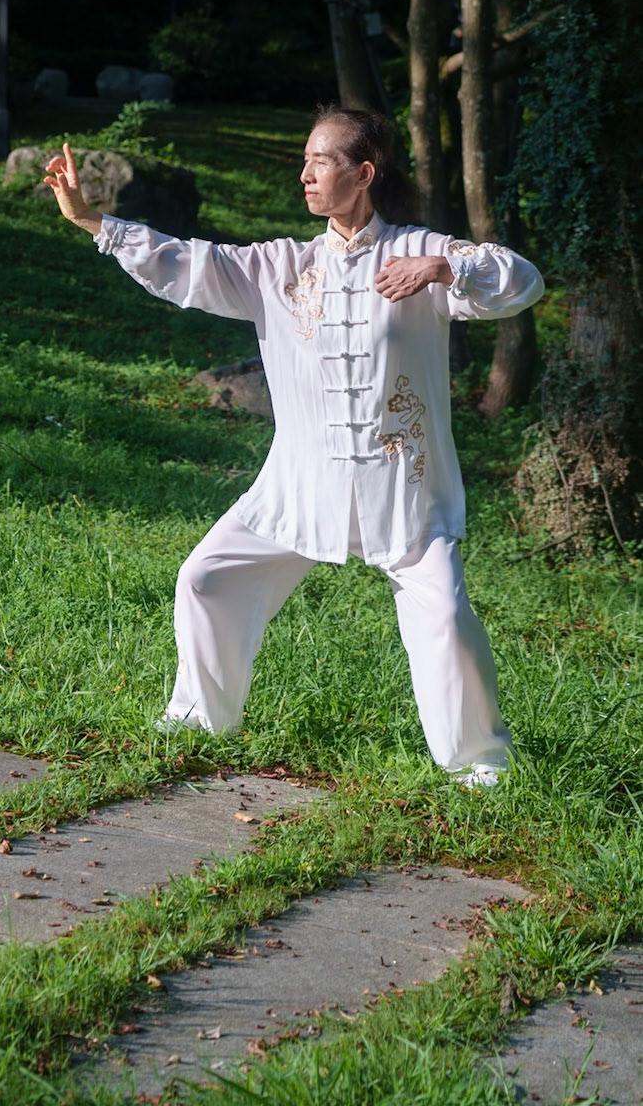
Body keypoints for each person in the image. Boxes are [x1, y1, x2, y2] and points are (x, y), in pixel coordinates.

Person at [43, 105, 543, 786]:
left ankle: (479, 764)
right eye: (303, 160)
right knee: (205, 578)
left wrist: (440, 269)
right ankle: (196, 721)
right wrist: (88, 220)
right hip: (299, 484)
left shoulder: (416, 254)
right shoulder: (279, 267)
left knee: (447, 616)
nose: (305, 175)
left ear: (363, 173)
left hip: (401, 488)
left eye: (321, 161)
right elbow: (185, 264)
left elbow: (520, 282)